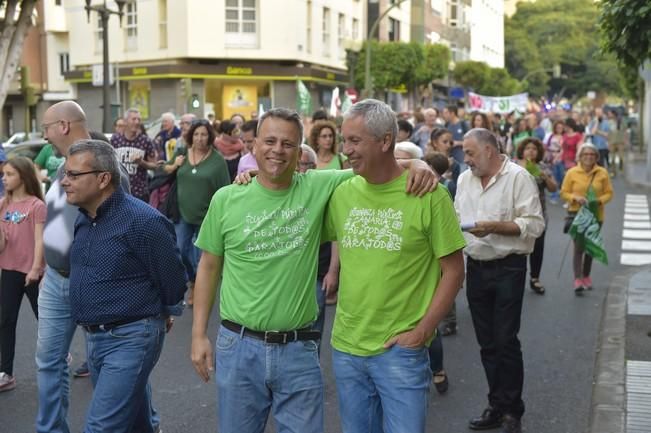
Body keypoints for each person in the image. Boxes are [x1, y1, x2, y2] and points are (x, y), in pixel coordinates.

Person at [190, 107, 437, 433]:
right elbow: (208, 266)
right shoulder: (227, 198)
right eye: (270, 141)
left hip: (298, 351)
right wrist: (197, 335)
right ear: (254, 146)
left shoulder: (317, 186)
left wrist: (418, 163)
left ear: (300, 151)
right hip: (238, 346)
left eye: (288, 144)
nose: (277, 150)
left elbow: (380, 164)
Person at [323, 99, 465, 433]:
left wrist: (422, 331)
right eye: (344, 141)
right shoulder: (342, 191)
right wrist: (251, 175)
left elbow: (455, 271)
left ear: (385, 141)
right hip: (347, 348)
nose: (346, 150)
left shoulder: (429, 194)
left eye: (355, 141)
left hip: (400, 352)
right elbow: (290, 183)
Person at [61, 139, 186, 433]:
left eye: (73, 175)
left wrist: (161, 310)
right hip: (95, 337)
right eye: (65, 174)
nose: (65, 181)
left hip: (131, 337)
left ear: (104, 179)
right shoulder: (84, 218)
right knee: (136, 422)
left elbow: (173, 279)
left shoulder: (143, 221)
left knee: (101, 426)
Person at [35, 101, 131, 433]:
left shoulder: (103, 163)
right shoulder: (62, 165)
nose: (43, 135)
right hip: (55, 280)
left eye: (45, 127)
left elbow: (125, 223)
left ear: (63, 126)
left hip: (94, 282)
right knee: (48, 361)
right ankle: (50, 429)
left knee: (113, 365)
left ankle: (145, 423)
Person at [456, 128, 544, 433]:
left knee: (506, 340)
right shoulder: (464, 179)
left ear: (489, 151)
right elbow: (457, 219)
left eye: (469, 152)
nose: (465, 159)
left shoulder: (519, 177)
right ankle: (496, 405)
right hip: (476, 267)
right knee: (487, 342)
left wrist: (495, 227)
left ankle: (512, 411)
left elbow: (534, 224)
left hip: (509, 266)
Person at [161, 119, 231, 306]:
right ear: (191, 136)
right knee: (181, 252)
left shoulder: (217, 161)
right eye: (196, 134)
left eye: (204, 134)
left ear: (210, 136)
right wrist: (175, 165)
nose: (200, 138)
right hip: (182, 213)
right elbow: (163, 168)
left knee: (202, 259)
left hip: (206, 216)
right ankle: (192, 280)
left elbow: (225, 190)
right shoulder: (182, 152)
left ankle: (198, 291)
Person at [0, 156, 46, 392]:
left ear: (23, 176)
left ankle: (59, 354)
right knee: (5, 321)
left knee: (45, 320)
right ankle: (6, 372)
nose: (4, 178)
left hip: (32, 271)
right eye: (3, 174)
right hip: (8, 270)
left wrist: (36, 268)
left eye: (9, 174)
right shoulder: (3, 204)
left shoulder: (36, 205)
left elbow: (39, 240)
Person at [560, 142, 613, 293]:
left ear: (596, 157)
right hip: (577, 215)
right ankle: (577, 279)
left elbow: (609, 193)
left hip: (596, 215)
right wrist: (575, 198)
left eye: (592, 154)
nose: (589, 157)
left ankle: (586, 276)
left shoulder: (602, 172)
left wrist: (599, 201)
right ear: (580, 157)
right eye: (585, 154)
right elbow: (563, 192)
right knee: (579, 247)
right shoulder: (572, 172)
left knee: (590, 248)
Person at [515, 137, 558, 294]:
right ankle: (517, 278)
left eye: (534, 148)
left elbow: (553, 189)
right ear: (522, 151)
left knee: (538, 247)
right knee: (518, 246)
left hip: (539, 212)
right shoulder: (514, 167)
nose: (531, 151)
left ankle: (535, 278)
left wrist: (544, 176)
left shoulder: (542, 167)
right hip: (518, 213)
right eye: (528, 148)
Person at [110, 108, 158, 202]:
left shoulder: (145, 141)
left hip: (139, 193)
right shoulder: (115, 139)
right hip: (119, 191)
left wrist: (141, 162)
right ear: (125, 121)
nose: (137, 122)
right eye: (134, 119)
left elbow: (155, 165)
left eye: (139, 119)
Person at [543, 120, 566, 203]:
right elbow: (546, 146)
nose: (559, 129)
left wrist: (558, 156)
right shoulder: (551, 136)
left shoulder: (565, 136)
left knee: (561, 176)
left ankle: (562, 191)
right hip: (551, 157)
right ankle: (554, 195)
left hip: (561, 157)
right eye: (558, 127)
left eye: (561, 127)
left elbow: (564, 148)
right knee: (554, 175)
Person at [607, 110, 625, 176]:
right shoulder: (609, 122)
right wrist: (608, 142)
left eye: (610, 114)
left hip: (620, 142)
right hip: (612, 142)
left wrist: (625, 141)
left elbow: (625, 131)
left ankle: (621, 170)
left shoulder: (621, 121)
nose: (609, 115)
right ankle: (613, 172)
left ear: (613, 114)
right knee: (612, 158)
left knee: (621, 157)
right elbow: (608, 133)